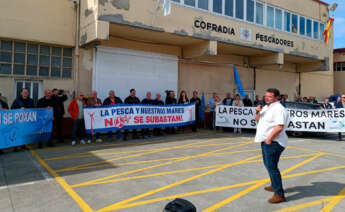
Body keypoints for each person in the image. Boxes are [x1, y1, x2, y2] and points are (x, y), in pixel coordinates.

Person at [254, 88, 288, 203]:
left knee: (272, 167)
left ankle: (279, 194)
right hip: (266, 141)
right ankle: (274, 185)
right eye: (266, 96)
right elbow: (257, 119)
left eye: (270, 96)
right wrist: (257, 111)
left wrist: (269, 139)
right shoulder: (267, 107)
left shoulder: (278, 109)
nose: (266, 98)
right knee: (268, 165)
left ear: (276, 98)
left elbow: (280, 126)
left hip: (274, 142)